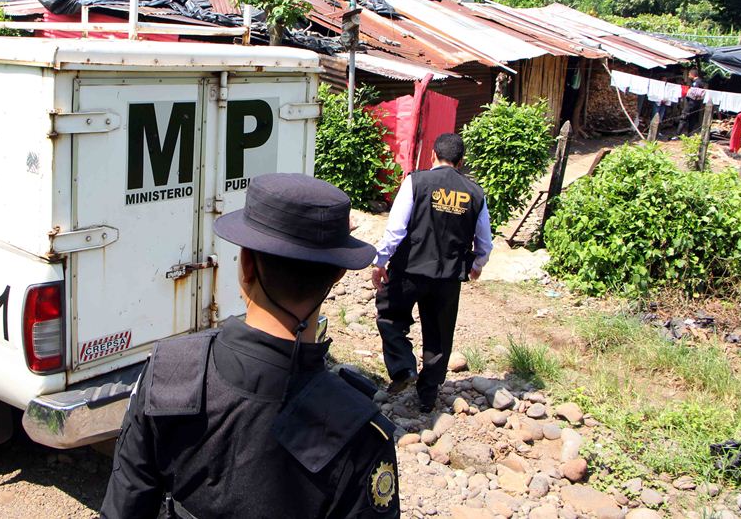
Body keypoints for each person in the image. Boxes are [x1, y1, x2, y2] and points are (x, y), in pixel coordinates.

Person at [101, 173, 400, 519]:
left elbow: (123, 508)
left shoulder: (169, 370)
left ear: (244, 265)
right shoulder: (360, 433)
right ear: (338, 275)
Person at [371, 133, 493, 413]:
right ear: (461, 162)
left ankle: (403, 369)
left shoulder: (416, 181)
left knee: (389, 316)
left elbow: (397, 229)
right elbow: (484, 241)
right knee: (438, 337)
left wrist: (380, 262)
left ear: (432, 156)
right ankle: (427, 397)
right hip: (449, 278)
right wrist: (477, 266)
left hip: (409, 270)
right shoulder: (475, 193)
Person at [678, 68, 707, 135]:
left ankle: (678, 134)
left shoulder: (696, 83)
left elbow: (694, 93)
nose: (688, 76)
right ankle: (689, 133)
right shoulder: (701, 82)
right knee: (692, 118)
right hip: (697, 103)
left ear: (692, 74)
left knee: (683, 117)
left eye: (689, 75)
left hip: (692, 102)